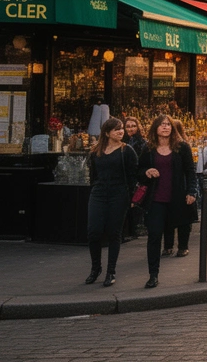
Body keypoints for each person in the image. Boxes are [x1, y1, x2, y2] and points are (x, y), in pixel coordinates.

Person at [137, 115, 198, 288]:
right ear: (155, 128)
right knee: (154, 236)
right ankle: (153, 274)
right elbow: (138, 170)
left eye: (168, 125)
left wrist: (192, 191)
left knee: (180, 227)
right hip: (155, 199)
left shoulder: (182, 147)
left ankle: (181, 247)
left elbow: (190, 171)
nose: (165, 127)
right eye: (162, 124)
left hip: (176, 197)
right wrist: (147, 171)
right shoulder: (148, 148)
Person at [85, 117, 136, 287]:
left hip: (119, 194)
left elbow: (132, 175)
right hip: (98, 193)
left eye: (121, 128)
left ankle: (111, 271)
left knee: (114, 233)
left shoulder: (126, 151)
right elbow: (93, 176)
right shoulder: (95, 151)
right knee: (93, 232)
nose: (121, 131)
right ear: (107, 133)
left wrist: (131, 198)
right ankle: (95, 268)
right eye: (116, 129)